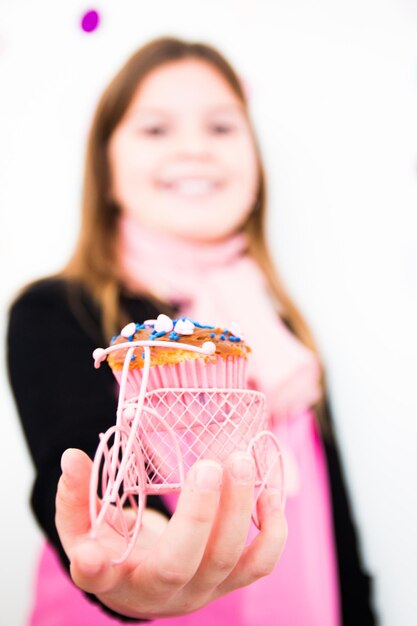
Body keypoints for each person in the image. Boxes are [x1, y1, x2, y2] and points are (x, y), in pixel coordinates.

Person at [7, 36, 376, 626]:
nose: (195, 149)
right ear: (105, 172)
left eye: (222, 128)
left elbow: (339, 538)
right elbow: (70, 460)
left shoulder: (281, 334)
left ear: (255, 167)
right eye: (155, 130)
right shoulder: (58, 310)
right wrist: (127, 549)